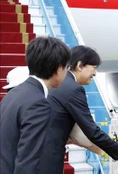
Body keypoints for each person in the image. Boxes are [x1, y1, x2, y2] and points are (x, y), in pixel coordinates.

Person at [39, 45, 118, 173]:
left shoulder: (60, 83)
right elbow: (91, 131)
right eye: (94, 68)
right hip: (48, 154)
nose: (95, 73)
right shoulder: (73, 89)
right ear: (80, 65)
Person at [0, 37, 71, 174]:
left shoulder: (13, 95)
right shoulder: (39, 104)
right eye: (66, 68)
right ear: (58, 69)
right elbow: (27, 161)